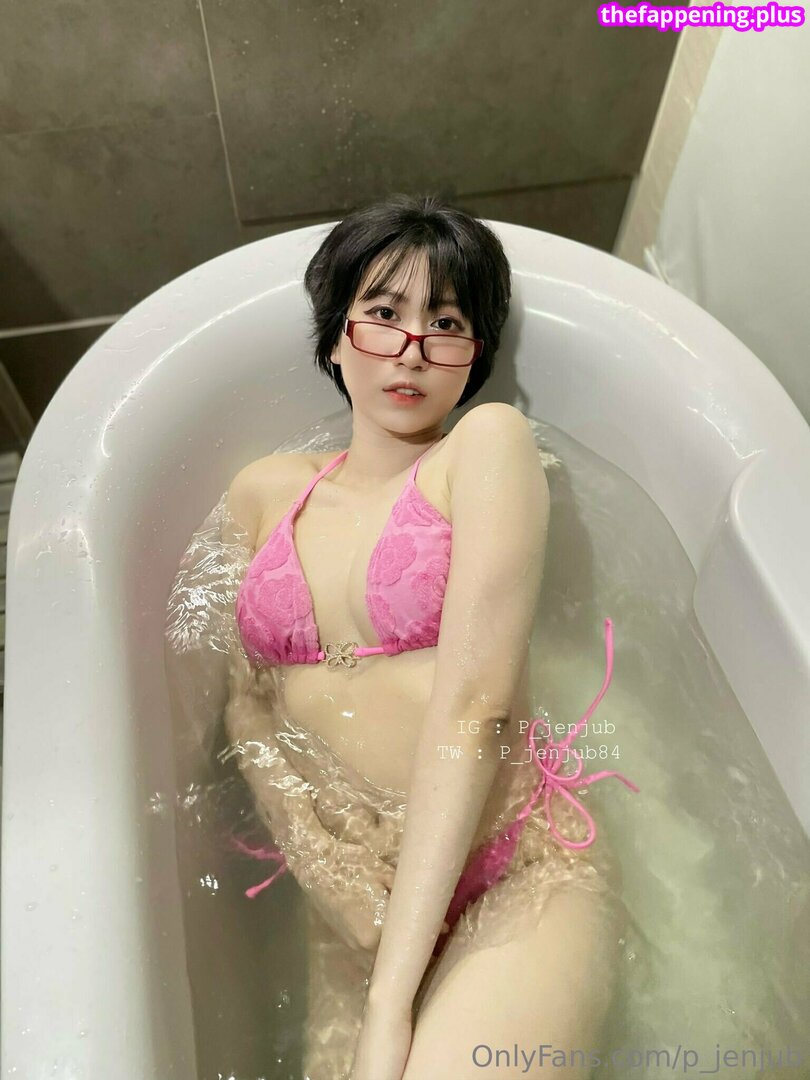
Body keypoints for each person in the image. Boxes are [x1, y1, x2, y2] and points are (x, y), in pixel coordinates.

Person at [212, 193, 638, 1080]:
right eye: (382, 312)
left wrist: (386, 1003)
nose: (411, 348)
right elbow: (247, 708)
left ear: (474, 355)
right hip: (352, 886)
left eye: (445, 323)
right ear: (335, 338)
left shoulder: (483, 447)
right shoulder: (262, 491)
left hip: (511, 868)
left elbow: (477, 707)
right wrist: (325, 871)